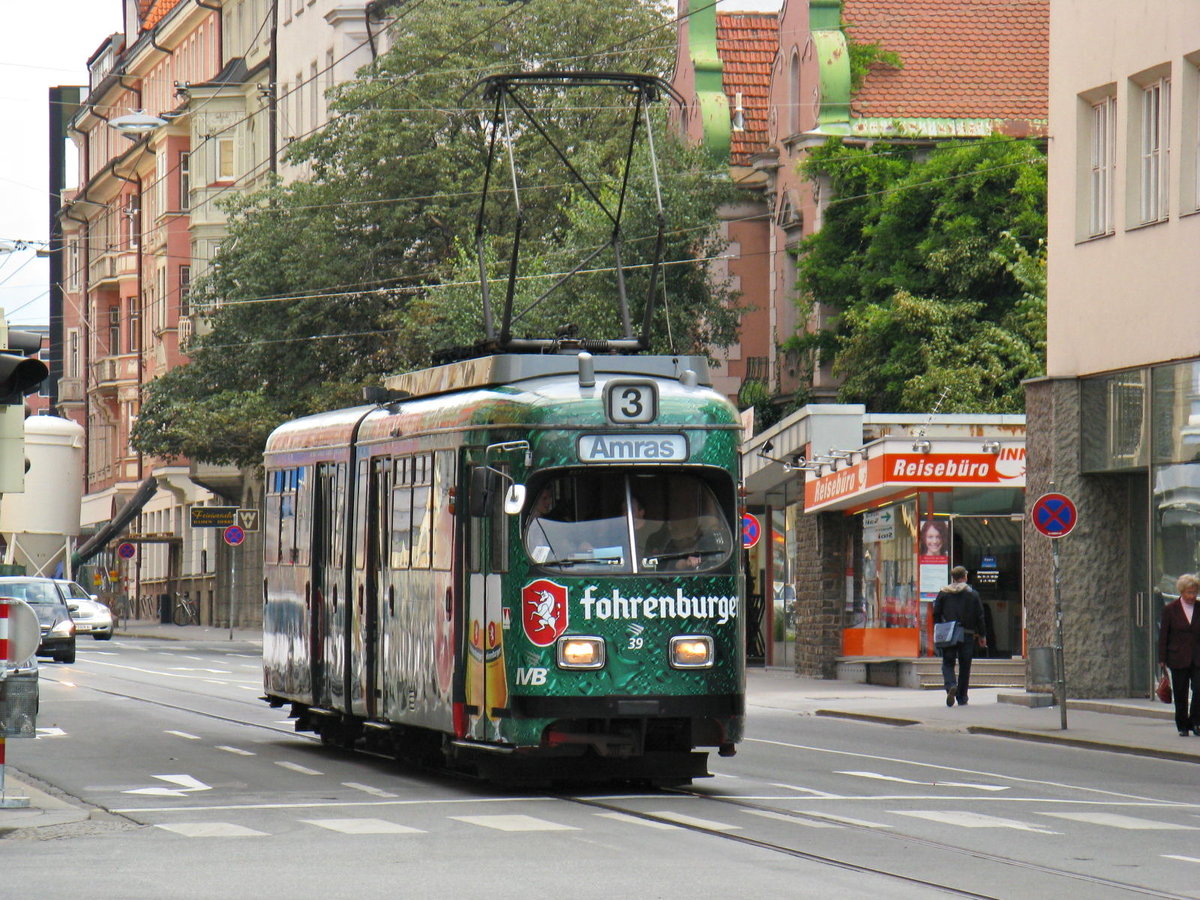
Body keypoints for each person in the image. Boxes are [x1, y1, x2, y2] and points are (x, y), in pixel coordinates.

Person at [933, 565, 987, 707]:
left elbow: (936, 613)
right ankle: (962, 697)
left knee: (947, 663)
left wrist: (939, 627)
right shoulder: (973, 594)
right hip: (967, 634)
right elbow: (980, 616)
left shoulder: (943, 593)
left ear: (953, 578)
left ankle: (951, 685)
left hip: (948, 634)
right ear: (965, 577)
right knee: (965, 666)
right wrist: (982, 635)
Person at [1158, 573, 1200, 737]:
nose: (1192, 596)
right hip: (1178, 657)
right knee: (1180, 692)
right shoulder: (1170, 609)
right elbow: (1164, 635)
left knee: (1198, 689)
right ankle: (1182, 725)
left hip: (1197, 657)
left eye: (1194, 592)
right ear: (1181, 592)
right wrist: (1162, 658)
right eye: (1189, 592)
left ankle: (1196, 721)